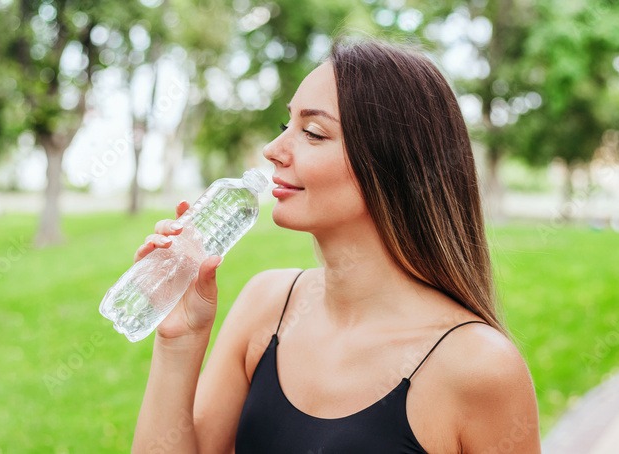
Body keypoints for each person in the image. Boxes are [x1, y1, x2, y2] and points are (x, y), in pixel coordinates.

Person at [130, 38, 541, 453]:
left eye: (312, 132)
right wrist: (178, 340)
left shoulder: (479, 367)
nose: (273, 151)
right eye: (284, 126)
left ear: (392, 164)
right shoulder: (266, 305)